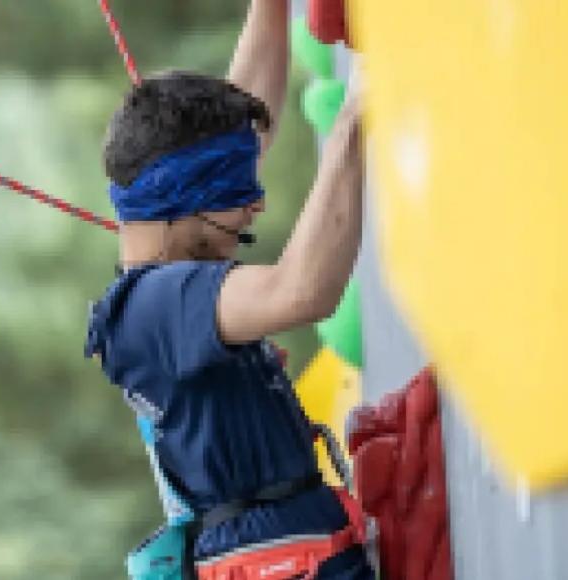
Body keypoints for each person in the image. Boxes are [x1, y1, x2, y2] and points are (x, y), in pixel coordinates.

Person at [85, 1, 371, 578]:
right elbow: (302, 291)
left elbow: (243, 134)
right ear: (180, 197)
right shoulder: (155, 305)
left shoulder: (161, 293)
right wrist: (353, 122)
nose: (256, 205)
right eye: (237, 193)